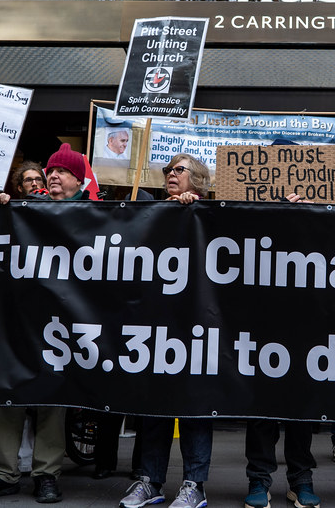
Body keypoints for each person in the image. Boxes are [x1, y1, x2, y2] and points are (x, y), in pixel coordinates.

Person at [0, 145, 91, 503]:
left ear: (78, 179)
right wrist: (0, 207)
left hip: (62, 319)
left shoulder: (93, 213)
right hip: (20, 315)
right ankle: (3, 473)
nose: (53, 176)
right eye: (50, 170)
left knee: (51, 397)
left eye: (62, 172)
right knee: (8, 392)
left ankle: (46, 474)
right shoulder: (26, 206)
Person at [120, 153, 212, 508]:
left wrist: (192, 211)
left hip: (196, 328)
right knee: (154, 404)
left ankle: (194, 484)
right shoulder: (153, 215)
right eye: (167, 171)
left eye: (179, 170)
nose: (171, 175)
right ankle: (149, 481)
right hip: (156, 324)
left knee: (194, 407)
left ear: (198, 180)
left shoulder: (208, 214)